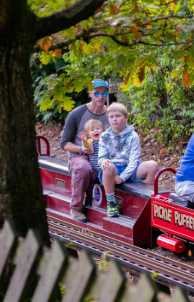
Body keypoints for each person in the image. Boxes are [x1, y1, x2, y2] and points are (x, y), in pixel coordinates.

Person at [61, 79, 110, 223]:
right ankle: (76, 208)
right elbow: (64, 143)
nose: (100, 97)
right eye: (97, 93)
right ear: (90, 94)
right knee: (84, 168)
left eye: (104, 93)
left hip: (105, 154)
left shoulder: (112, 113)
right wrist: (81, 149)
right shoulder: (77, 114)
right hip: (80, 156)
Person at [98, 102, 159, 217]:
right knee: (107, 165)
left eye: (118, 116)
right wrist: (103, 161)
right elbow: (101, 156)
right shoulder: (104, 136)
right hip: (113, 170)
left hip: (130, 168)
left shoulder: (132, 136)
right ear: (108, 119)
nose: (114, 119)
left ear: (126, 118)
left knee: (153, 165)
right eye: (111, 117)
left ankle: (146, 201)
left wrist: (123, 176)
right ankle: (111, 203)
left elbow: (134, 161)